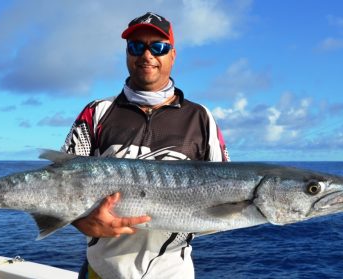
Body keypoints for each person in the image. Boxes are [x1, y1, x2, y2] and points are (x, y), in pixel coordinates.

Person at [62, 12, 229, 279]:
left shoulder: (201, 119)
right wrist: (81, 221)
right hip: (102, 272)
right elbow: (58, 182)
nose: (147, 55)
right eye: (137, 46)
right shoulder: (96, 113)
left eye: (159, 47)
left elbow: (226, 193)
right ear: (127, 53)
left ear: (172, 55)